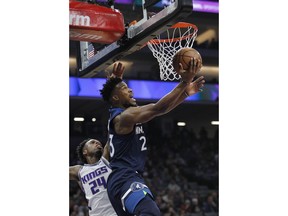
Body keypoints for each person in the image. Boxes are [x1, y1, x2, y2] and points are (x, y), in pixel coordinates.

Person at [100, 58, 205, 216]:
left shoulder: (123, 115)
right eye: (125, 88)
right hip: (124, 178)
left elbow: (162, 109)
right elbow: (159, 108)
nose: (130, 91)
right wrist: (185, 81)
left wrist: (185, 92)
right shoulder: (125, 116)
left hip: (123, 179)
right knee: (150, 212)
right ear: (116, 98)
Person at [69, 138, 117, 216]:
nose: (98, 143)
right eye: (92, 142)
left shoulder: (105, 161)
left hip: (116, 212)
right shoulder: (79, 171)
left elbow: (113, 134)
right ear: (85, 152)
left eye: (99, 143)